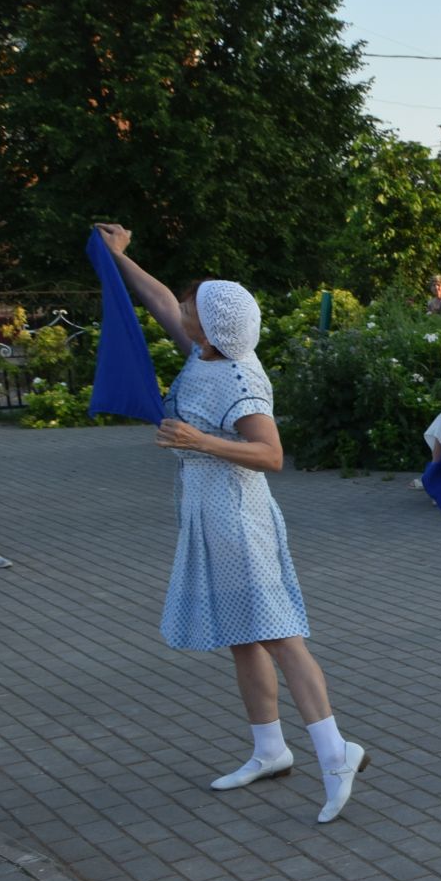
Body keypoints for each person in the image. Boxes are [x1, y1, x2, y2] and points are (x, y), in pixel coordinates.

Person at [96, 223, 366, 824]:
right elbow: (163, 301)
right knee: (241, 634)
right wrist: (121, 258)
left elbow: (271, 455)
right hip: (205, 509)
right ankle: (270, 749)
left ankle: (335, 751)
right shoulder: (204, 351)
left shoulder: (241, 377)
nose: (183, 307)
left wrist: (199, 439)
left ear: (212, 324)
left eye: (194, 305)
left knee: (279, 635)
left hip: (239, 515)